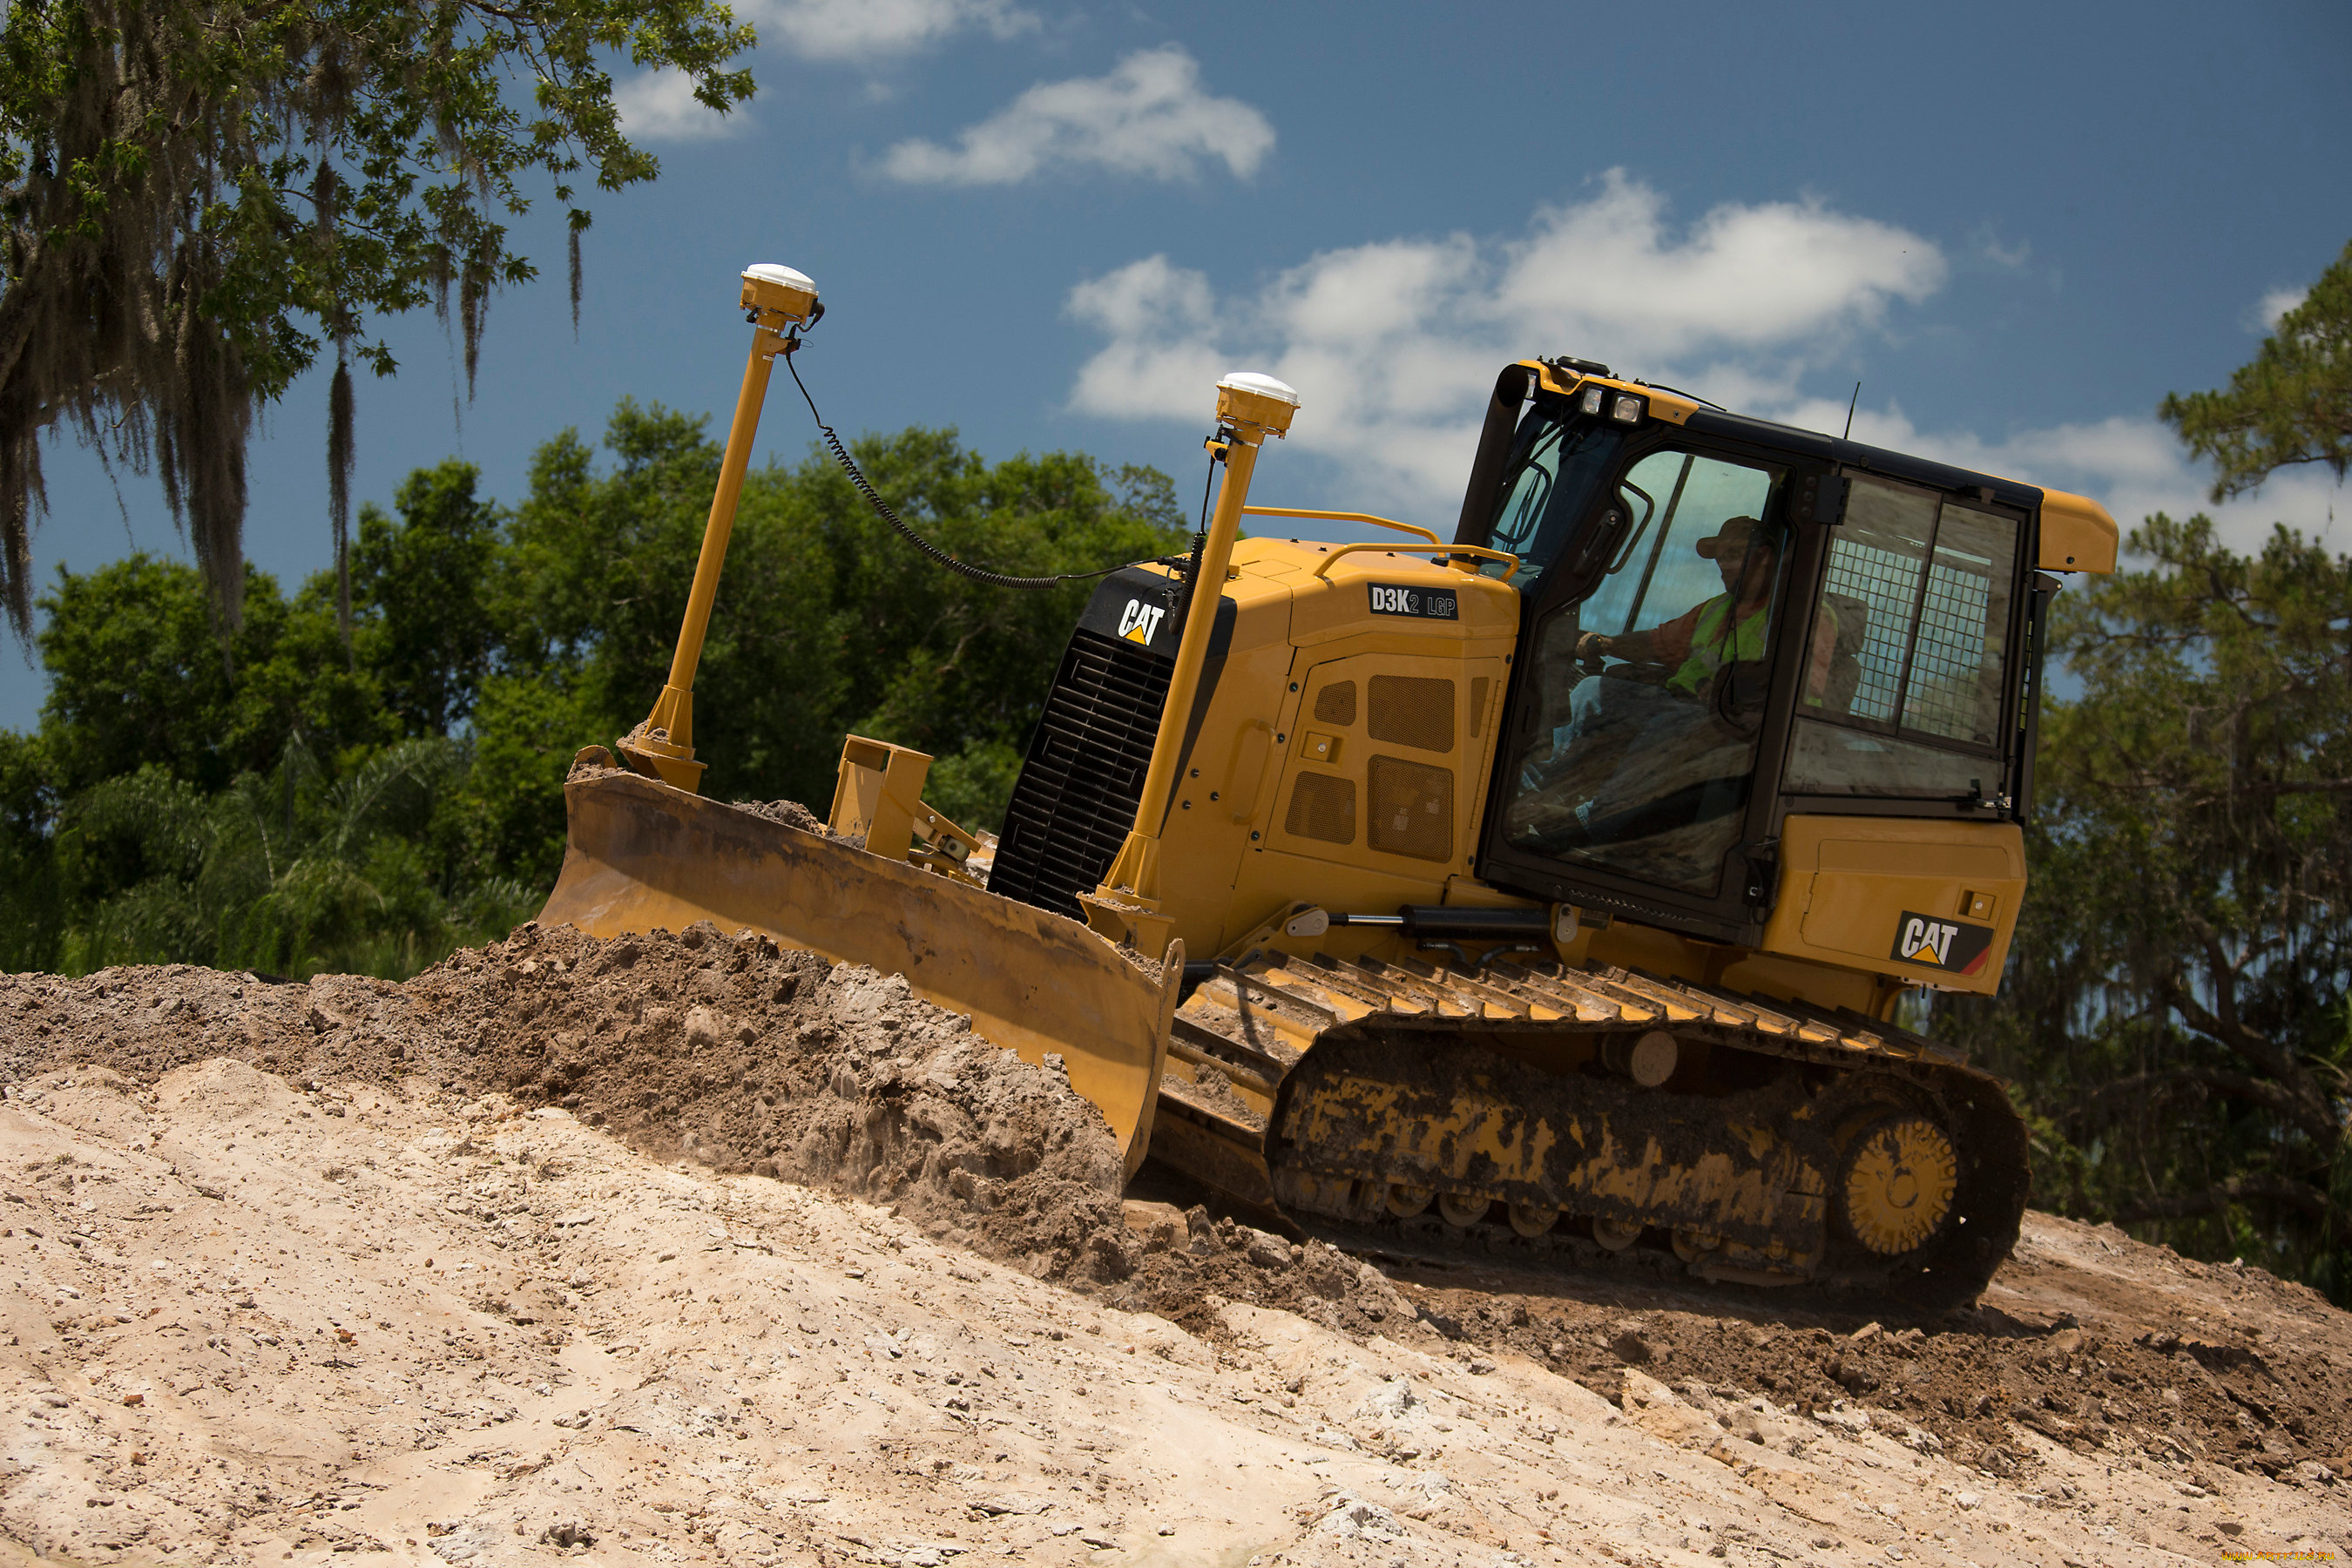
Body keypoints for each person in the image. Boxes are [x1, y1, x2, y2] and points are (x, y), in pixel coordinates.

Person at [1517, 515, 1834, 844]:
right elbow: (1658, 643)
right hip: (1682, 705)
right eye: (1721, 557)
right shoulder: (1715, 609)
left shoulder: (1804, 616)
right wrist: (1609, 644)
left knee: (1670, 722)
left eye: (1733, 555)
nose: (1723, 566)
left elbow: (1802, 695)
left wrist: (1736, 699)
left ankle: (1590, 822)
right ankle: (1530, 793)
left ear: (1765, 555)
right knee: (1593, 690)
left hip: (1739, 729)